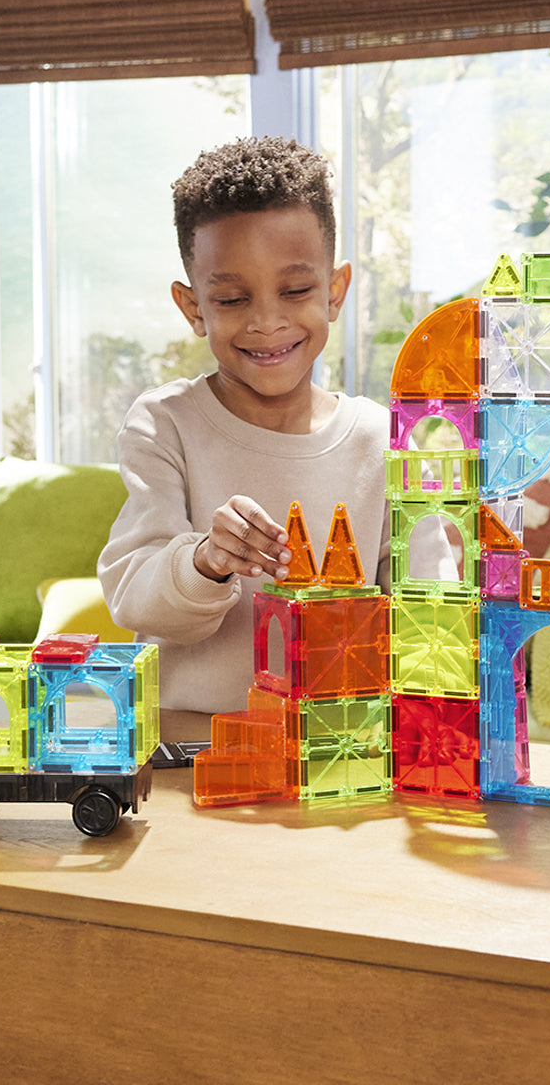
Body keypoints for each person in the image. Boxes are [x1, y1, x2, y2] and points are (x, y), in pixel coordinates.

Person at [99, 136, 392, 713]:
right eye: (232, 299)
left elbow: (425, 607)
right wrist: (206, 560)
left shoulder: (380, 438)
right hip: (190, 745)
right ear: (193, 308)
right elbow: (133, 593)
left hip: (336, 750)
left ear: (334, 292)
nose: (266, 322)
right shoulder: (164, 425)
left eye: (296, 291)